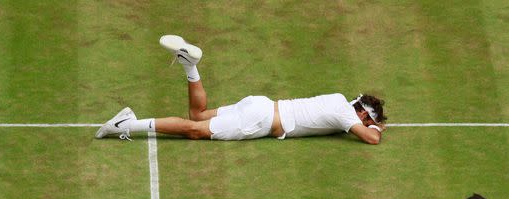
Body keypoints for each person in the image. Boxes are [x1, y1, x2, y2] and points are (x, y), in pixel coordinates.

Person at [95, 35, 386, 144]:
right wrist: (375, 130)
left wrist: (369, 123)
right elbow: (370, 140)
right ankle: (127, 124)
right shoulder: (344, 115)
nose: (366, 124)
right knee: (195, 130)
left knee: (198, 114)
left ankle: (189, 64)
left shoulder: (337, 100)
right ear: (362, 112)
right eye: (368, 119)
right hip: (257, 121)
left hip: (258, 104)